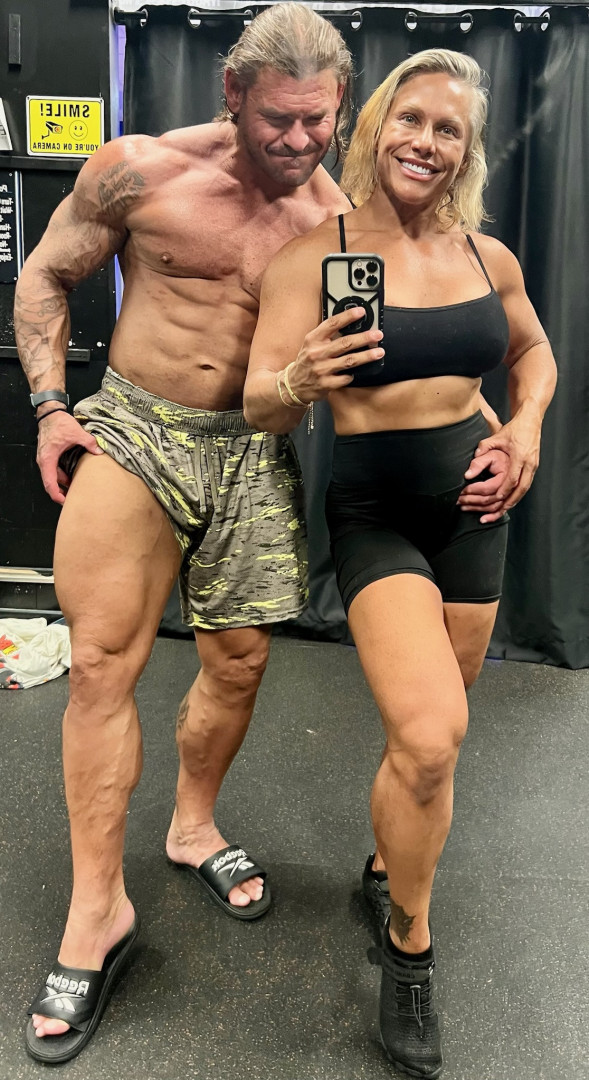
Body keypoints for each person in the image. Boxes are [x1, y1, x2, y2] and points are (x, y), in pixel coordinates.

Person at [12, 3, 358, 1063]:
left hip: (252, 449)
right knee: (99, 665)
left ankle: (191, 823)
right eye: (278, 120)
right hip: (136, 425)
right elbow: (44, 275)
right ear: (232, 95)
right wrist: (50, 407)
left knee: (239, 663)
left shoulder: (341, 221)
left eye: (317, 120)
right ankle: (96, 909)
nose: (297, 141)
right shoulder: (139, 171)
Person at [244, 47, 557, 1078]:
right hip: (374, 510)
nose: (426, 141)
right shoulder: (311, 257)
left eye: (448, 128)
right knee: (428, 739)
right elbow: (257, 402)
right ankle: (409, 945)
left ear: (467, 149)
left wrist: (524, 429)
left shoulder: (485, 256)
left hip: (473, 510)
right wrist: (298, 377)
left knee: (432, 744)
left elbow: (532, 353)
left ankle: (388, 862)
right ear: (377, 126)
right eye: (410, 119)